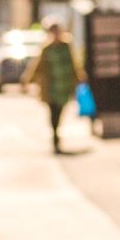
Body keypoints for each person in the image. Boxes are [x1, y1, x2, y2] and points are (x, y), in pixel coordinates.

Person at [22, 21, 80, 153]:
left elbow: (74, 64)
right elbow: (37, 66)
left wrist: (79, 78)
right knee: (53, 113)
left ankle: (56, 133)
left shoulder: (66, 46)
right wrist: (27, 80)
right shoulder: (46, 49)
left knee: (60, 111)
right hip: (51, 88)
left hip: (64, 86)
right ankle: (55, 138)